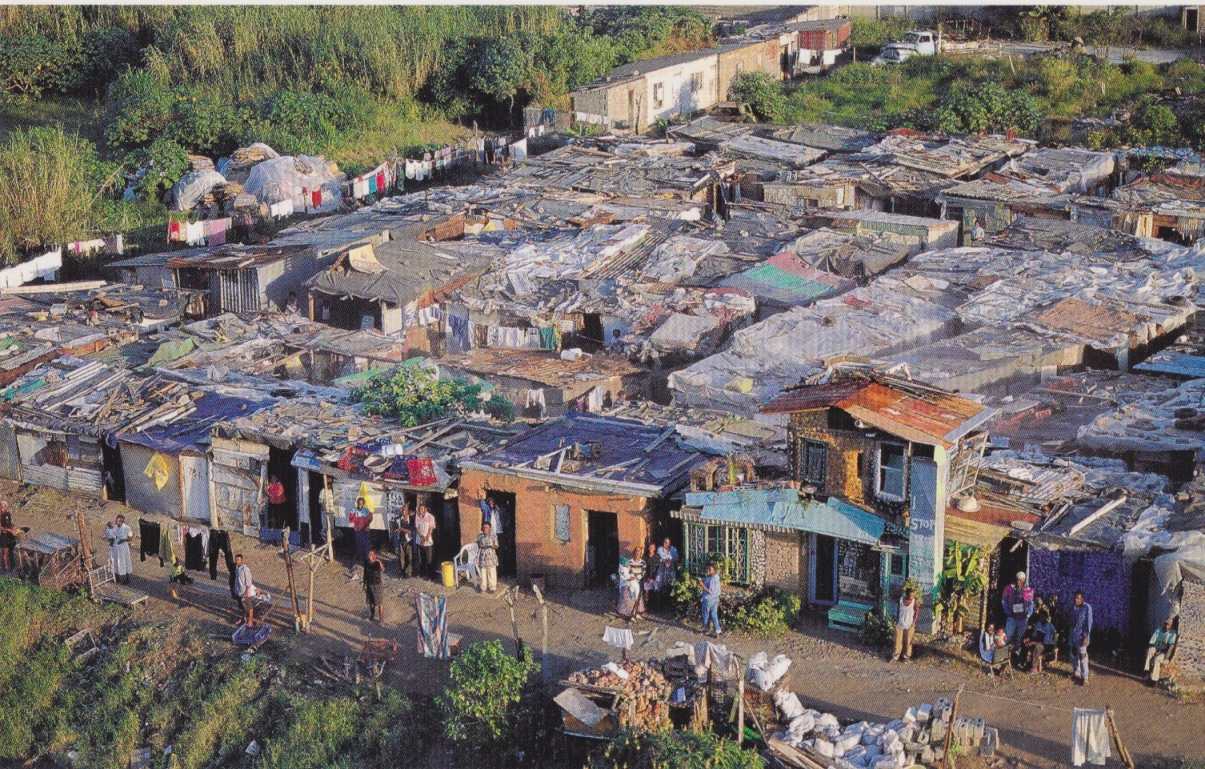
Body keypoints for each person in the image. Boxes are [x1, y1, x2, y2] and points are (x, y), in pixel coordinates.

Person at [1001, 571, 1035, 646]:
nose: (1019, 582)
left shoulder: (1028, 590)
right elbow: (1004, 600)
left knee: (1020, 638)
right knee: (1008, 636)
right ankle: (1004, 653)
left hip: (1022, 619)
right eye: (1018, 579)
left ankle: (1016, 654)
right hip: (1012, 617)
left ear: (1024, 580)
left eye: (1021, 580)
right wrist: (1007, 612)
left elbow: (1031, 603)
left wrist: (1028, 614)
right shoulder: (1009, 588)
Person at [1144, 618, 1178, 684]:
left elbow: (1171, 647)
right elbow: (1152, 641)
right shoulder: (1159, 630)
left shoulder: (1172, 634)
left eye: (1168, 624)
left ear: (1171, 625)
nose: (1166, 626)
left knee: (1157, 660)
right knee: (1150, 650)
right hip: (1156, 649)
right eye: (1165, 624)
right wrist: (1154, 649)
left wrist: (1166, 658)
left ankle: (1154, 680)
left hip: (1164, 653)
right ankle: (1147, 670)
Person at [1070, 590, 1093, 685]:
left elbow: (1089, 623)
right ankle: (1077, 672)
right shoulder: (1074, 608)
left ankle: (1085, 677)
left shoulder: (1087, 607)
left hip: (1083, 636)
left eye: (1078, 598)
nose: (1076, 599)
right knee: (1076, 654)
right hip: (1074, 635)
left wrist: (1086, 636)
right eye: (1075, 598)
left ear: (1082, 599)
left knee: (1083, 655)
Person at [891, 587, 918, 663]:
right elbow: (897, 610)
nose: (911, 597)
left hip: (909, 624)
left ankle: (906, 657)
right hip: (900, 623)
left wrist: (913, 623)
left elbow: (917, 612)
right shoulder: (901, 600)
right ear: (906, 594)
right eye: (910, 595)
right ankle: (895, 657)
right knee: (897, 640)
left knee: (908, 641)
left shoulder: (914, 602)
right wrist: (896, 620)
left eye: (913, 595)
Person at [105, 515, 133, 584]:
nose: (115, 522)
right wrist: (111, 540)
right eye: (116, 520)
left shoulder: (127, 528)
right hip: (116, 549)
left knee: (124, 563)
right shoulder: (115, 527)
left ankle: (126, 579)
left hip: (123, 549)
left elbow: (130, 538)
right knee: (116, 563)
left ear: (121, 521)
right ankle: (117, 578)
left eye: (117, 521)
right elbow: (111, 535)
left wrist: (123, 540)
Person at [699, 562, 722, 637]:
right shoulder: (716, 577)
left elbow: (710, 591)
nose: (708, 571)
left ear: (714, 570)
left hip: (708, 599)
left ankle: (705, 629)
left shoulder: (712, 579)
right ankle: (718, 631)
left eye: (710, 569)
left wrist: (702, 585)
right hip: (716, 599)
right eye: (707, 569)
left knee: (705, 614)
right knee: (714, 615)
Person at [414, 504, 437, 578]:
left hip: (428, 541)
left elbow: (431, 528)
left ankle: (431, 576)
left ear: (425, 509)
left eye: (422, 509)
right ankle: (423, 573)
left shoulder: (430, 517)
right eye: (419, 509)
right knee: (421, 558)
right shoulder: (417, 517)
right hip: (420, 541)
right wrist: (421, 537)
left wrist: (426, 537)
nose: (420, 510)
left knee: (429, 559)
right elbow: (417, 528)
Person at [349, 497, 373, 566]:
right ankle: (355, 562)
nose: (360, 505)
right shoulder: (353, 510)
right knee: (357, 546)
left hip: (365, 531)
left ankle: (366, 562)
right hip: (358, 531)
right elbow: (350, 519)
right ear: (357, 503)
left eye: (361, 503)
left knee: (366, 547)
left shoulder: (366, 510)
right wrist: (354, 517)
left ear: (363, 504)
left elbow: (370, 519)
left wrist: (368, 524)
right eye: (359, 503)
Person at [476, 522, 499, 593]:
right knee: (483, 573)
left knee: (491, 572)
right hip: (482, 557)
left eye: (487, 527)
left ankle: (492, 587)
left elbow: (497, 546)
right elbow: (478, 544)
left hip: (491, 557)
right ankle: (483, 587)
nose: (485, 529)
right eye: (484, 527)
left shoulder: (493, 536)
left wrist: (491, 546)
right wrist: (481, 545)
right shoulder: (480, 536)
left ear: (490, 528)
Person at [233, 554, 256, 627]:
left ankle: (250, 621)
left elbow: (248, 582)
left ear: (242, 560)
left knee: (249, 607)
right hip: (240, 592)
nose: (237, 561)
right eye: (236, 560)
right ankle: (243, 619)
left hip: (246, 592)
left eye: (238, 560)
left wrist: (246, 592)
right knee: (243, 607)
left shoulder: (245, 569)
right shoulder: (237, 569)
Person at [364, 548, 385, 623]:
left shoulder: (377, 563)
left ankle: (381, 620)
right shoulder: (366, 562)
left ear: (374, 555)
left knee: (379, 603)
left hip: (377, 585)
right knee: (371, 602)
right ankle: (371, 616)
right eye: (369, 554)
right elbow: (365, 573)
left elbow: (382, 569)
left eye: (371, 554)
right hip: (369, 584)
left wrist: (379, 562)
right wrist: (364, 583)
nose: (369, 556)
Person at [0, 503, 19, 572]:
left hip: (10, 535)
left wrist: (14, 528)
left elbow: (10, 523)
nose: (3, 508)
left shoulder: (8, 514)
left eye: (5, 506)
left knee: (11, 551)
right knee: (5, 553)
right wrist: (9, 530)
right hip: (4, 536)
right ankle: (6, 568)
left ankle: (12, 566)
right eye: (2, 506)